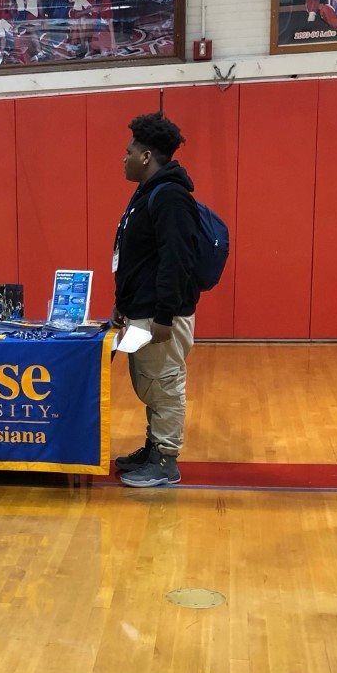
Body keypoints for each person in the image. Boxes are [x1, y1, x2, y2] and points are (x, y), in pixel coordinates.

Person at [111, 113, 201, 489]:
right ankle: (153, 448)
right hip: (142, 311)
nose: (124, 158)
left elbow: (176, 260)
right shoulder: (148, 194)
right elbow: (137, 258)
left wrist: (165, 315)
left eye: (129, 152)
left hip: (160, 316)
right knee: (150, 384)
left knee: (164, 385)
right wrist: (123, 302)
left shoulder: (171, 197)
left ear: (146, 156)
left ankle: (165, 460)